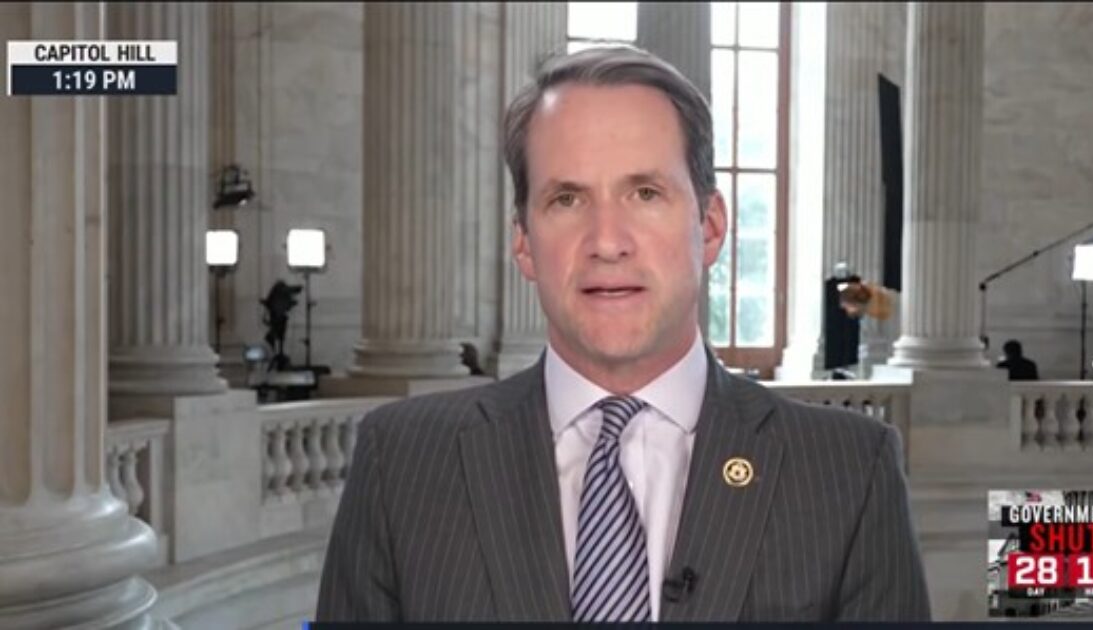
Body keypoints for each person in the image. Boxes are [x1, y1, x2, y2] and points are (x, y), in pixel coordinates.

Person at [316, 46, 930, 622]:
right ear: (524, 242)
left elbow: (1023, 587)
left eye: (645, 193)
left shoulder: (852, 470)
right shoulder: (399, 462)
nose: (607, 242)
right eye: (567, 200)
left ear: (710, 227)